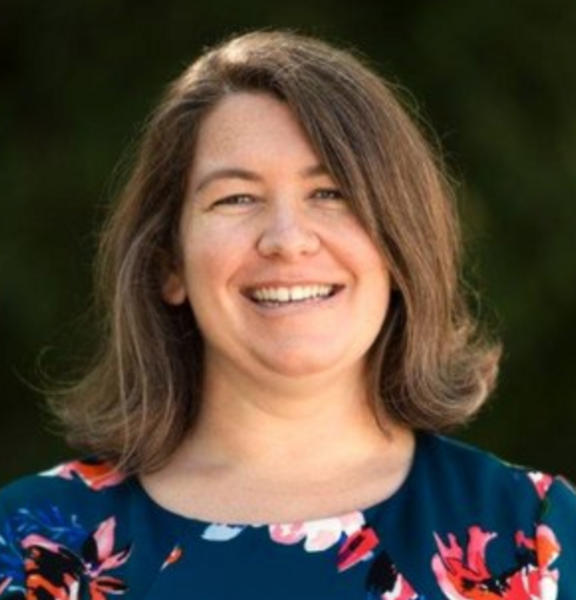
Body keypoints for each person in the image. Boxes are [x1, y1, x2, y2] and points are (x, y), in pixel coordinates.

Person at [1, 30, 575, 599]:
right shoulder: (32, 549)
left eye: (331, 193)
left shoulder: (533, 534)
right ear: (168, 264)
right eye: (235, 198)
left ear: (400, 243)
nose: (287, 239)